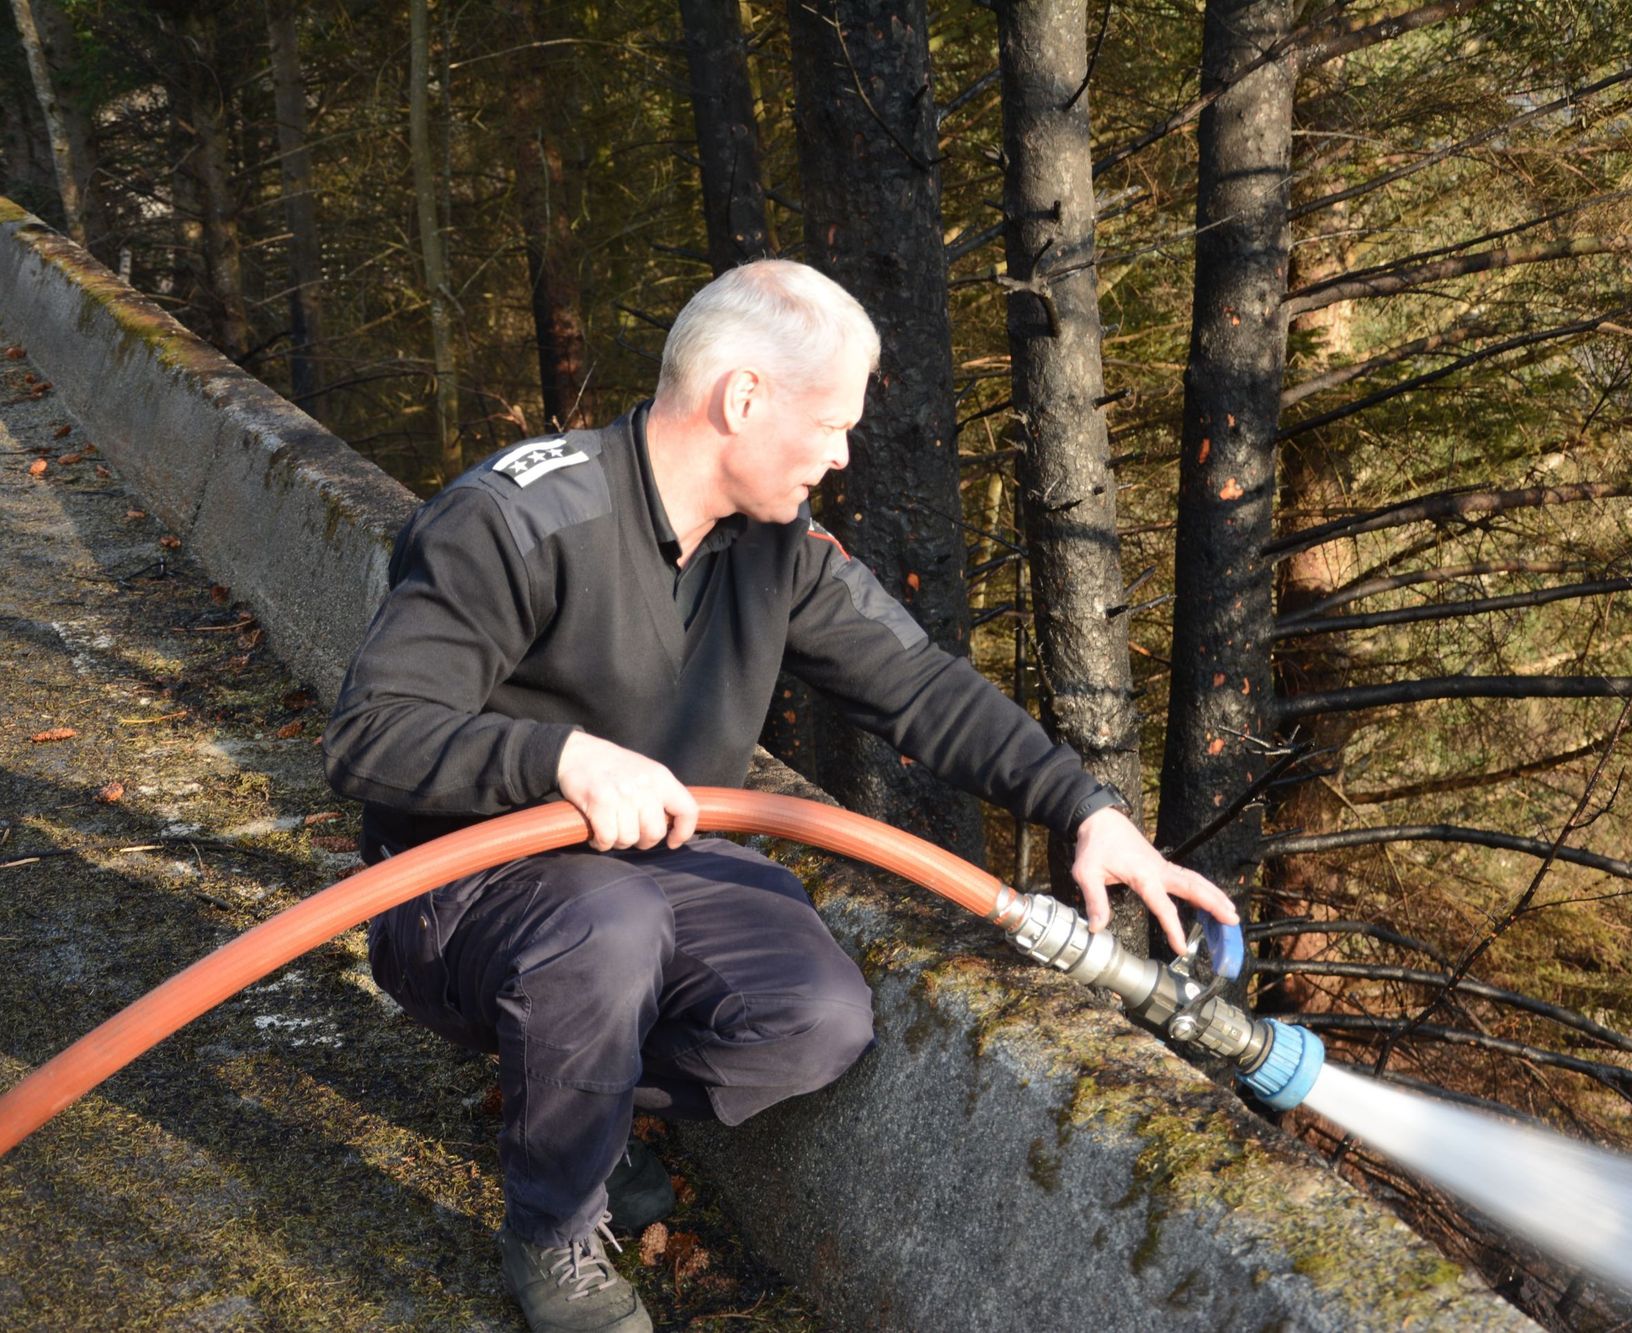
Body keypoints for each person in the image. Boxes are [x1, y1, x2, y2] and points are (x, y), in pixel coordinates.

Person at [322, 259, 1236, 1333]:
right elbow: (372, 736)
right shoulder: (513, 520)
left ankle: (576, 1098)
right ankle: (554, 1221)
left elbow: (920, 687)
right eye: (832, 423)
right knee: (601, 930)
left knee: (815, 1021)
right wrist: (560, 758)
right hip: (464, 892)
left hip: (648, 869)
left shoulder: (774, 552)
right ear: (742, 398)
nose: (842, 454)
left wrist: (1085, 809)